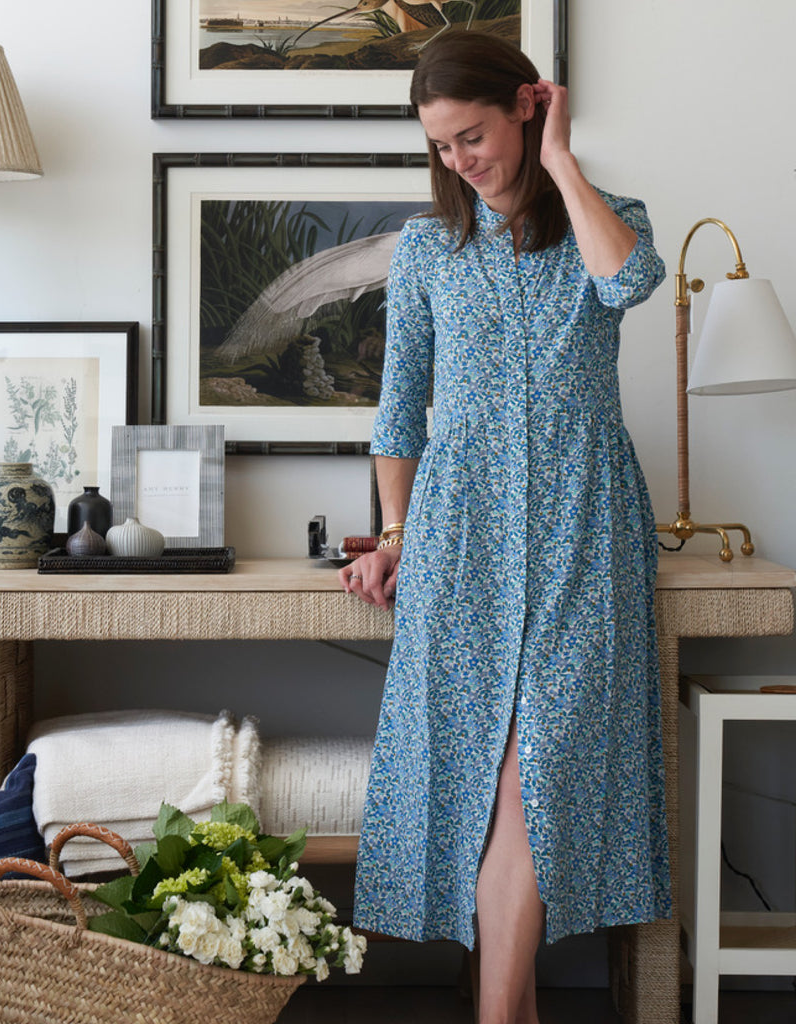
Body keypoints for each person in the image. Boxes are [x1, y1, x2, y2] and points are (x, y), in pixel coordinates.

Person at [338, 31, 671, 1024]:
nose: (460, 160)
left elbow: (629, 284)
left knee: (540, 770)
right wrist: (393, 536)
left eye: (472, 134)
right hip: (464, 529)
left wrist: (563, 162)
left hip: (584, 522)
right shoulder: (426, 250)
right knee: (488, 777)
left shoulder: (607, 222)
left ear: (526, 107)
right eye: (441, 146)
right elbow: (399, 413)